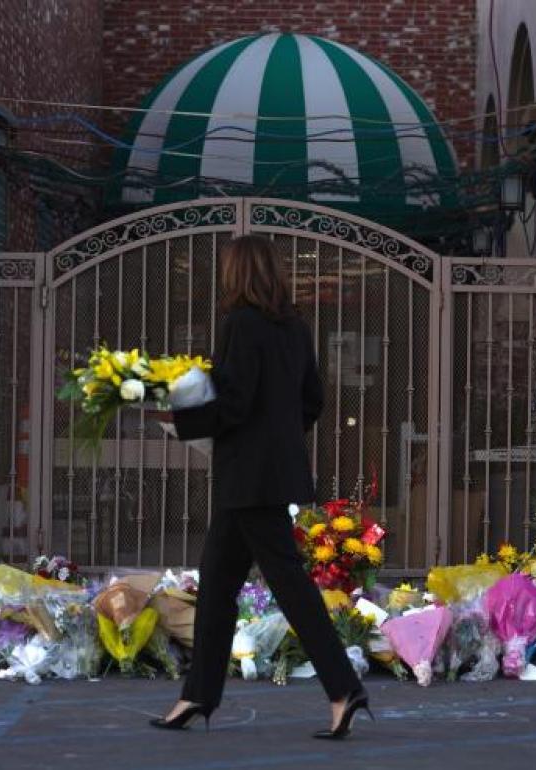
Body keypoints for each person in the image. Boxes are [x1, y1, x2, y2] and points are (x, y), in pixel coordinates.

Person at [149, 235, 371, 740]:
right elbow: (312, 401)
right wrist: (280, 436)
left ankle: (342, 687)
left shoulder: (239, 324)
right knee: (218, 585)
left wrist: (176, 418)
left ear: (238, 273)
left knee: (289, 587)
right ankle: (197, 696)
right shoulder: (295, 327)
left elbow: (233, 405)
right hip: (269, 473)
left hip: (247, 477)